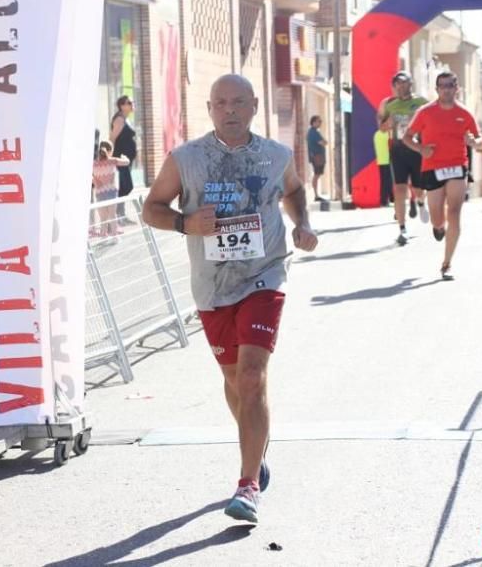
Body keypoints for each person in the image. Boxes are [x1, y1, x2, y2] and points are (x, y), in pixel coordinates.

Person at [141, 74, 318, 524]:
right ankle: (254, 451)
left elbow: (294, 191)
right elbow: (152, 208)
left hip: (265, 274)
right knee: (236, 378)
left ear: (255, 106)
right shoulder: (186, 158)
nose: (230, 110)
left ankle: (247, 486)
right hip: (213, 285)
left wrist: (302, 225)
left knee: (254, 374)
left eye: (239, 102)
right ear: (210, 109)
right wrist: (185, 224)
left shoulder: (276, 155)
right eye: (221, 103)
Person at [402, 71, 480, 280]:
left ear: (457, 88)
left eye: (450, 85)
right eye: (442, 86)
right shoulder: (425, 112)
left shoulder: (464, 113)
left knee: (454, 212)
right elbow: (406, 137)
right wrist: (421, 149)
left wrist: (474, 142)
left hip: (457, 166)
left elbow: (479, 140)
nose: (446, 89)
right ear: (437, 90)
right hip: (432, 167)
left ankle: (447, 263)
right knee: (437, 217)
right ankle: (439, 226)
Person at [378, 71, 429, 245]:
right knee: (399, 189)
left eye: (403, 83)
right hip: (398, 151)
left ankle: (421, 202)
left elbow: (431, 123)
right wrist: (387, 124)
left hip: (416, 150)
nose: (399, 87)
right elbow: (381, 128)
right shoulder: (389, 105)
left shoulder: (421, 102)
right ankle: (402, 229)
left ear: (410, 84)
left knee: (418, 188)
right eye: (396, 84)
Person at [92, 141, 130, 238]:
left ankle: (103, 236)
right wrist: (124, 157)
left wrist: (96, 181)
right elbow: (127, 162)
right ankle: (114, 236)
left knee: (103, 218)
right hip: (112, 192)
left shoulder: (93, 164)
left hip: (99, 193)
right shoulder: (113, 161)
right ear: (109, 151)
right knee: (112, 216)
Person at [111, 95, 139, 218]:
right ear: (122, 105)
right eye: (129, 102)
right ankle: (118, 215)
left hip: (127, 160)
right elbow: (112, 138)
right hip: (120, 159)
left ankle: (121, 215)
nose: (132, 104)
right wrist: (108, 156)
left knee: (125, 187)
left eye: (133, 102)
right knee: (126, 186)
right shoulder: (119, 119)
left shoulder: (126, 119)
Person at [306, 115, 328, 202]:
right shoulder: (313, 133)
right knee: (316, 174)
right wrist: (324, 142)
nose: (320, 123)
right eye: (319, 121)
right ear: (314, 122)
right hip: (317, 156)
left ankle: (316, 194)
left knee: (317, 175)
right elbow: (323, 142)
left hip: (318, 156)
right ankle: (316, 195)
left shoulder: (315, 131)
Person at [373, 116, 393, 207]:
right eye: (385, 125)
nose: (386, 126)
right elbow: (389, 145)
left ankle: (388, 198)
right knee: (386, 181)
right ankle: (384, 200)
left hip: (386, 161)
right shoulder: (381, 135)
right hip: (384, 161)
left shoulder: (379, 134)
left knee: (388, 181)